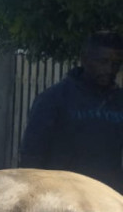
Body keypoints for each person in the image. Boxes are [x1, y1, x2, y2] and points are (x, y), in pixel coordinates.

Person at [19, 30, 123, 193]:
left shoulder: (119, 102)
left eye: (116, 63)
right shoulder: (53, 100)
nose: (109, 69)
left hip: (109, 201)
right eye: (103, 61)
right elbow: (31, 158)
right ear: (85, 59)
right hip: (63, 201)